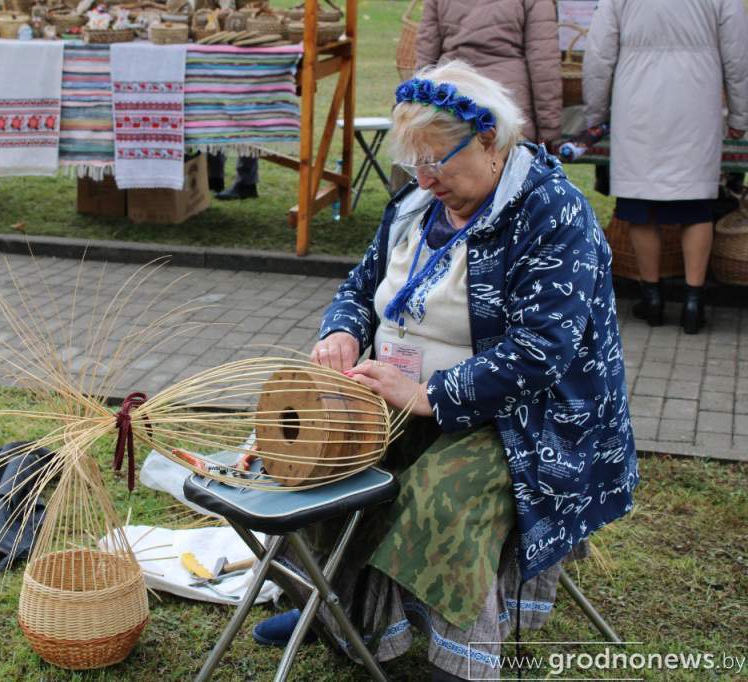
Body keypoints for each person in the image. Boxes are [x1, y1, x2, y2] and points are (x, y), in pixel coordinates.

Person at [250, 61, 638, 681]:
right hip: (404, 391)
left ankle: (454, 656)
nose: (425, 180)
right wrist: (343, 330)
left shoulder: (551, 213)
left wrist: (429, 393)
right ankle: (332, 608)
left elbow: (543, 353)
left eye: (438, 162)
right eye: (416, 164)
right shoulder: (417, 203)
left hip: (527, 419)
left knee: (442, 495)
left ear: (490, 140)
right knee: (319, 455)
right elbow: (363, 282)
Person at [583, 0, 748, 334]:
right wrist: (741, 114)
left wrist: (595, 114)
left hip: (637, 102)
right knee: (697, 203)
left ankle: (653, 298)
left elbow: (598, 55)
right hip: (697, 99)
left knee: (641, 203)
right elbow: (738, 54)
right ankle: (693, 302)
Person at [416, 0, 562, 145]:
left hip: (451, 99)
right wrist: (549, 129)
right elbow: (544, 62)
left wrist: (415, 107)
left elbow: (426, 53)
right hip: (508, 107)